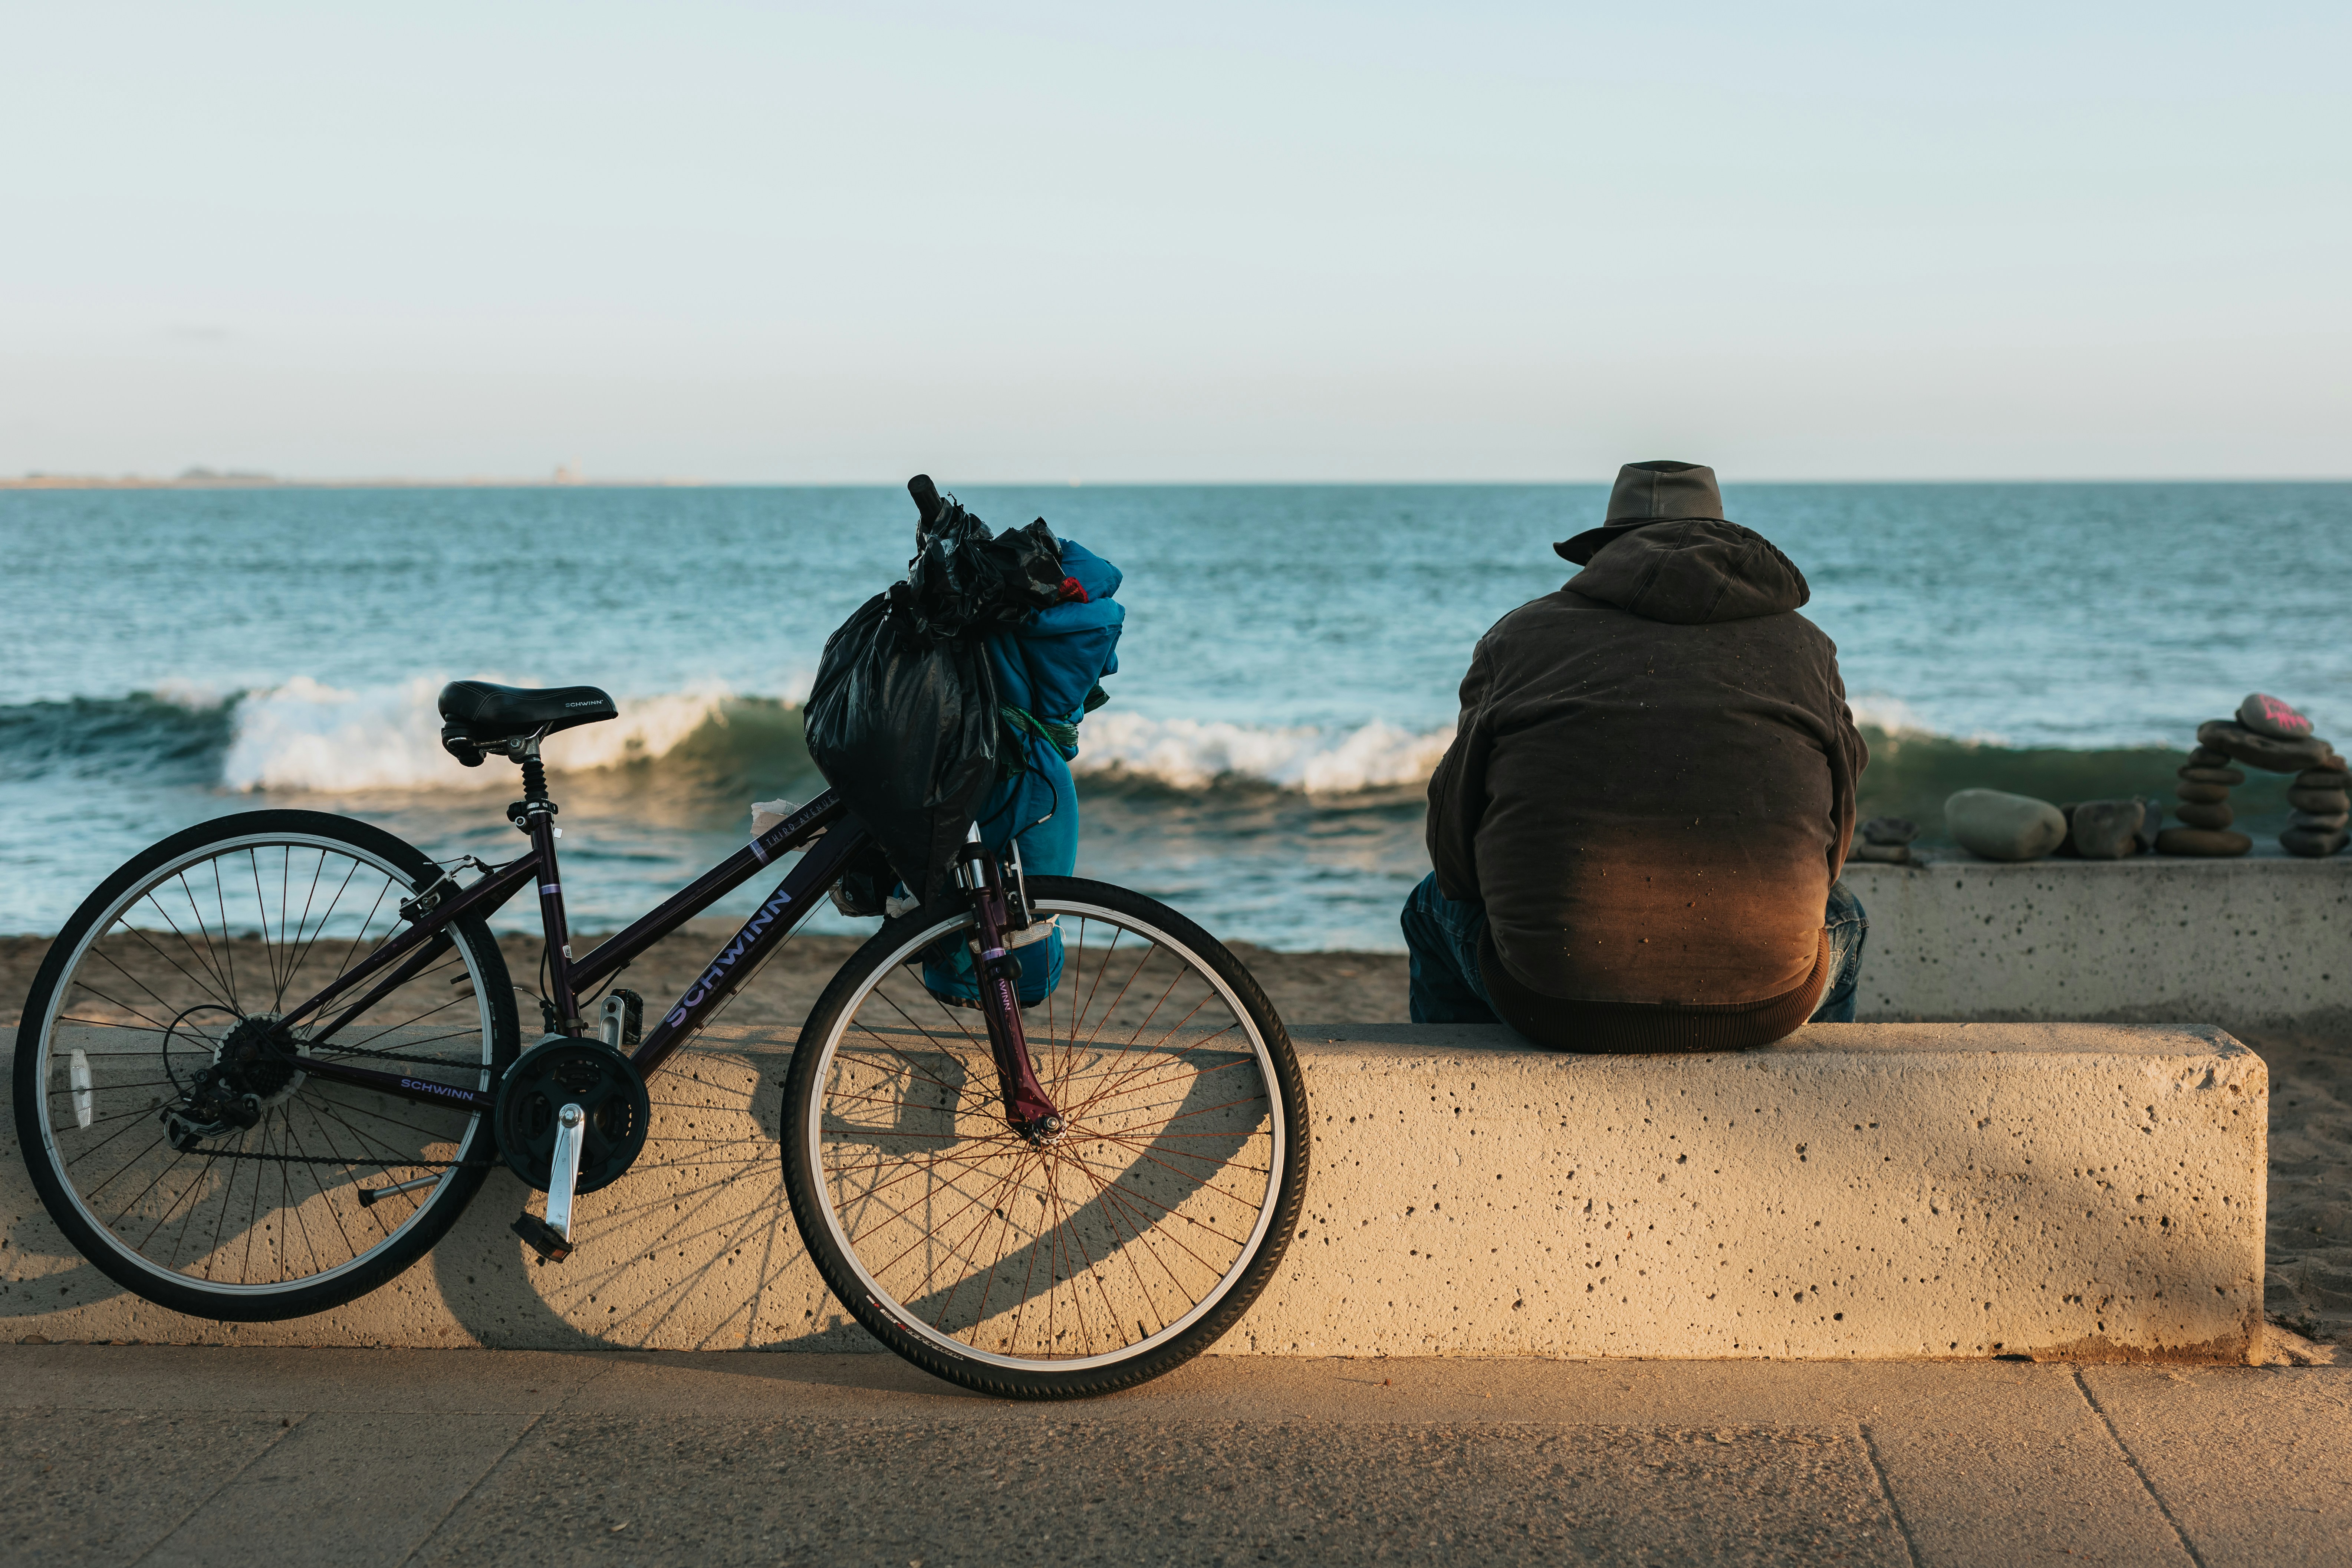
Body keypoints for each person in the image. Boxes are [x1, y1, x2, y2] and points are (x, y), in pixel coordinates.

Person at [1404, 460, 1869, 1051]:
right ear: (1726, 542)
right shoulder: (1809, 647)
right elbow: (1835, 842)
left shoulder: (1517, 638)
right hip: (1766, 1004)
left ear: (1602, 552)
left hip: (1548, 1001)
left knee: (1429, 906)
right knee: (1843, 909)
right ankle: (1818, 1106)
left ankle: (1457, 1105)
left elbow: (1452, 850)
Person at [921, 534, 1125, 1007]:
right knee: (1022, 892)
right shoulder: (1080, 621)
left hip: (1006, 759)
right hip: (1029, 767)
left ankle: (961, 975)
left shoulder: (1032, 623)